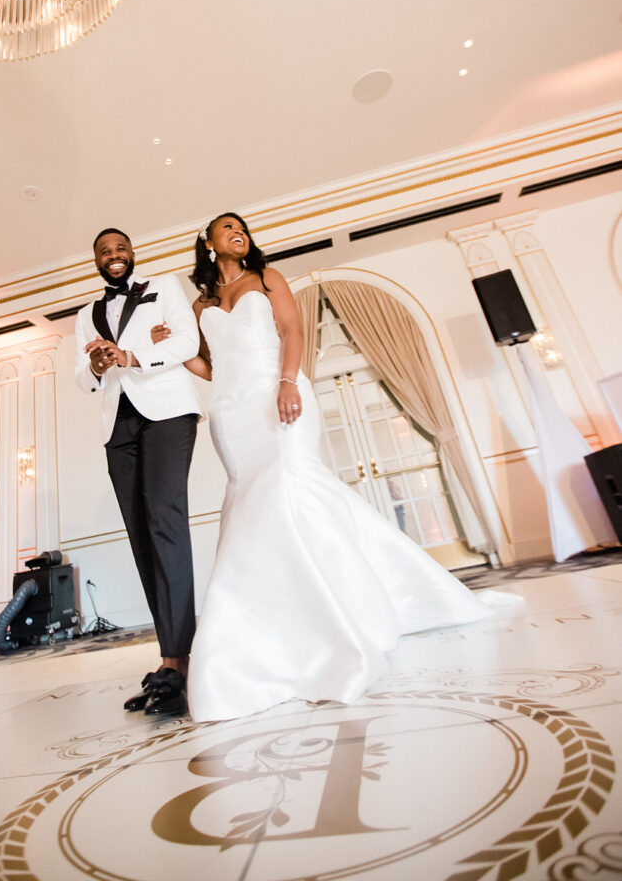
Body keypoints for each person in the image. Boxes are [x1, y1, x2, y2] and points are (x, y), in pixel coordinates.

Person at [152, 212, 500, 722]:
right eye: (227, 228)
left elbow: (292, 331)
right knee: (252, 504)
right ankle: (275, 624)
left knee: (292, 489)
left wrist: (288, 381)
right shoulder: (201, 304)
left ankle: (343, 614)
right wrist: (173, 350)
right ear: (207, 243)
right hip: (231, 410)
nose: (238, 232)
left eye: (242, 227)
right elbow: (210, 365)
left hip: (278, 393)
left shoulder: (266, 278)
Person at [74, 228, 202, 715]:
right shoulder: (85, 314)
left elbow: (187, 340)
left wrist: (133, 354)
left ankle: (180, 663)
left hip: (167, 413)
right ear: (96, 261)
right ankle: (170, 657)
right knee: (141, 537)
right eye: (104, 251)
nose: (113, 256)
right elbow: (80, 376)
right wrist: (100, 364)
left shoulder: (165, 286)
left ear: (132, 253)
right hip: (118, 427)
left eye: (120, 248)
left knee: (165, 524)